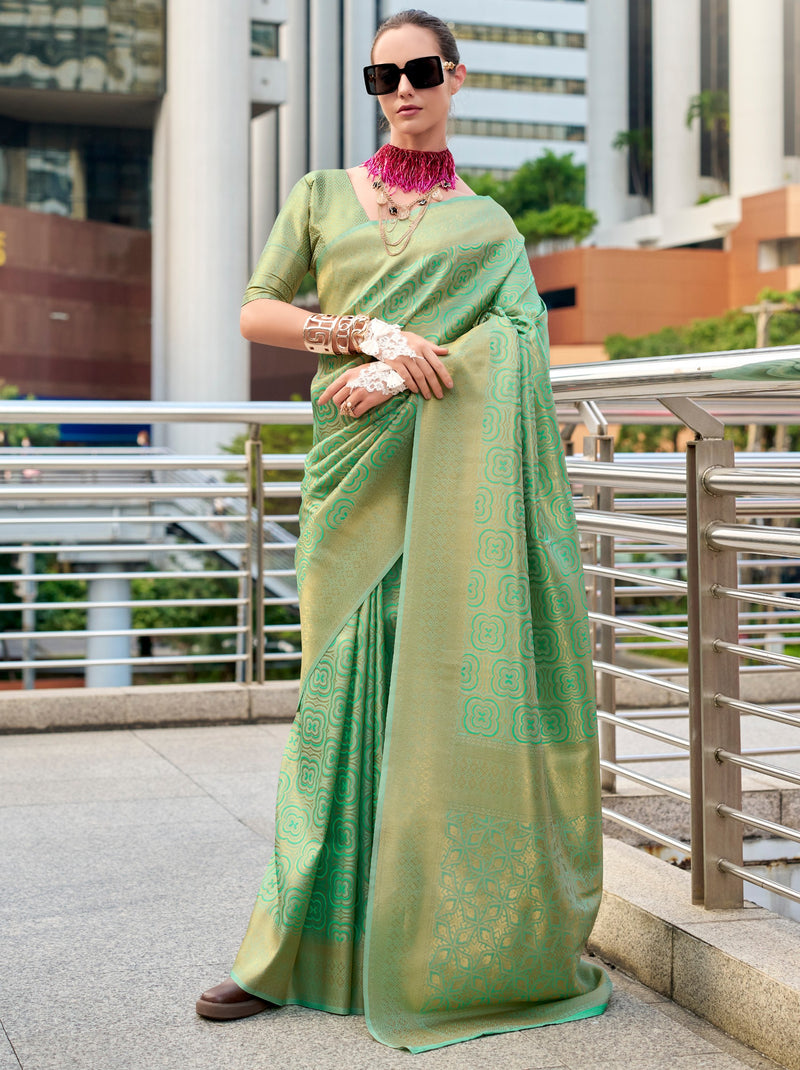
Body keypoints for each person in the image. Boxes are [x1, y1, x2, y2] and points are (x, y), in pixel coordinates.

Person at [196, 9, 611, 1052]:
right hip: (347, 477)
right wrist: (366, 332)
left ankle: (429, 945)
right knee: (333, 708)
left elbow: (516, 337)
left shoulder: (489, 228)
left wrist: (408, 372)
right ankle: (287, 948)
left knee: (423, 705)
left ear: (456, 78)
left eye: (419, 70)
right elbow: (256, 309)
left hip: (438, 478)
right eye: (381, 75)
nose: (399, 89)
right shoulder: (321, 194)